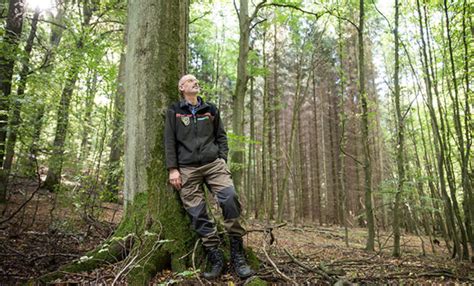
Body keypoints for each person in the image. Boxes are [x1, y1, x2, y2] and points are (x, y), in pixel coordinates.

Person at [164, 74, 254, 279]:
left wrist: (222, 158)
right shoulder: (175, 111)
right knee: (196, 212)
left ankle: (237, 254)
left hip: (214, 165)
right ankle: (215, 255)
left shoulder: (210, 110)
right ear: (181, 87)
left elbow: (221, 136)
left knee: (229, 198)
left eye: (196, 80)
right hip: (187, 169)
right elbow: (169, 140)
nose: (196, 82)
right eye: (190, 81)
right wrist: (173, 169)